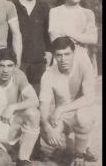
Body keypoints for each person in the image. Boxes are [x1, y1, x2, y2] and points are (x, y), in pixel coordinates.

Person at [39, 37, 97, 166]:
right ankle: (75, 148)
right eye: (59, 55)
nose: (63, 59)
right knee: (48, 134)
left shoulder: (83, 66)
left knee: (83, 117)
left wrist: (61, 109)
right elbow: (43, 106)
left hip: (81, 110)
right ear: (54, 56)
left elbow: (89, 98)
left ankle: (80, 154)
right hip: (62, 117)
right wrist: (48, 127)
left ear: (74, 53)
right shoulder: (48, 74)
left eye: (67, 54)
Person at [13, 0, 51, 94]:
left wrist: (49, 56)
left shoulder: (44, 7)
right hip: (18, 63)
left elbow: (47, 35)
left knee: (37, 102)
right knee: (17, 100)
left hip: (38, 64)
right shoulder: (12, 6)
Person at [49, 0, 97, 66]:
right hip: (62, 61)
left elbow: (93, 39)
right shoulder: (55, 12)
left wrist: (68, 33)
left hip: (82, 60)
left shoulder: (88, 13)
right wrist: (82, 37)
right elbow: (55, 39)